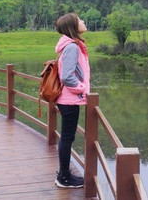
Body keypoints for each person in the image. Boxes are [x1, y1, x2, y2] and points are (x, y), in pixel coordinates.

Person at [54, 12, 90, 189]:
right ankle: (64, 177)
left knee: (66, 138)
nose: (83, 21)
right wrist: (83, 90)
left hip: (69, 99)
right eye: (79, 20)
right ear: (73, 27)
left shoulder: (71, 45)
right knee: (67, 138)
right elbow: (67, 77)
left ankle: (63, 173)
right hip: (69, 100)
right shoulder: (72, 47)